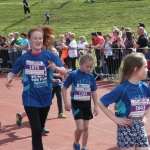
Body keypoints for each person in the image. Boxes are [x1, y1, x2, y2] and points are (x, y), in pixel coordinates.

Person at [6, 25, 67, 150]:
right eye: (35, 38)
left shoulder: (49, 56)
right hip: (30, 98)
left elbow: (64, 71)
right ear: (29, 40)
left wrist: (56, 68)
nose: (38, 41)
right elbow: (13, 71)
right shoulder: (24, 57)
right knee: (37, 129)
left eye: (40, 38)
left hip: (45, 97)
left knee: (40, 129)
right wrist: (9, 78)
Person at [98, 53, 150, 150]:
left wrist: (145, 116)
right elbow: (101, 102)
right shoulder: (122, 89)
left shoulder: (145, 87)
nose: (147, 70)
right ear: (136, 69)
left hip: (140, 126)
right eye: (145, 67)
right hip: (126, 127)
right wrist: (115, 119)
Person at [62, 53, 98, 150]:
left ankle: (84, 147)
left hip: (87, 103)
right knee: (80, 128)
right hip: (76, 103)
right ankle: (76, 143)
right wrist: (65, 102)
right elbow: (64, 88)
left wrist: (96, 105)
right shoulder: (73, 74)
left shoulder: (90, 76)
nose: (89, 69)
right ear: (80, 64)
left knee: (86, 128)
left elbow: (94, 91)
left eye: (91, 67)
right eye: (87, 66)